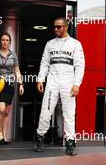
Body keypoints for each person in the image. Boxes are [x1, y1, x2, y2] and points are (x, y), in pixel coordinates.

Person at [34, 17, 85, 155]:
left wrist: (77, 84)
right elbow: (44, 63)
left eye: (59, 27)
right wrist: (40, 79)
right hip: (52, 81)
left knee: (69, 113)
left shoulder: (75, 44)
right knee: (46, 110)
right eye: (54, 27)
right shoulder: (50, 44)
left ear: (66, 27)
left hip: (68, 82)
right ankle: (40, 137)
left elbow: (80, 65)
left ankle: (69, 142)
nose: (56, 29)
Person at [0, 32, 24, 144]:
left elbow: (17, 70)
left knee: (7, 112)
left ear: (9, 42)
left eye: (7, 40)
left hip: (9, 85)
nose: (5, 42)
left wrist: (20, 84)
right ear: (0, 41)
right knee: (1, 110)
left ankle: (4, 136)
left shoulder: (13, 55)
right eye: (3, 40)